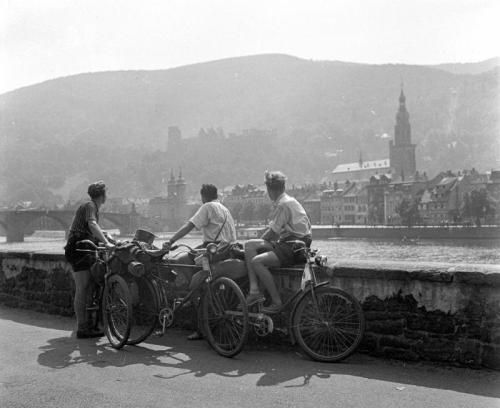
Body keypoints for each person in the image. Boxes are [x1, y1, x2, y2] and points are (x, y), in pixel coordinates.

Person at [163, 183, 246, 339]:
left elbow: (190, 226)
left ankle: (194, 297)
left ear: (203, 196)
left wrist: (171, 240)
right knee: (188, 261)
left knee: (181, 261)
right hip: (227, 251)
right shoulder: (224, 209)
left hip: (214, 251)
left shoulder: (207, 207)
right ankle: (195, 293)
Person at [244, 171, 312, 313]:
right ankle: (254, 290)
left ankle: (276, 302)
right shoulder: (289, 200)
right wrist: (259, 242)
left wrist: (261, 242)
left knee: (257, 261)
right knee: (249, 245)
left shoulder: (282, 204)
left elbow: (272, 232)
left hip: (293, 246)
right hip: (294, 242)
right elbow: (275, 233)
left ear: (270, 190)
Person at [64, 181, 114, 339]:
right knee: (82, 287)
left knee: (90, 285)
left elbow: (92, 228)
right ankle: (82, 328)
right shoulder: (90, 206)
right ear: (103, 195)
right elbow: (92, 225)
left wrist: (107, 236)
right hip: (79, 248)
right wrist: (106, 243)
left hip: (84, 247)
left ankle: (89, 323)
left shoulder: (90, 206)